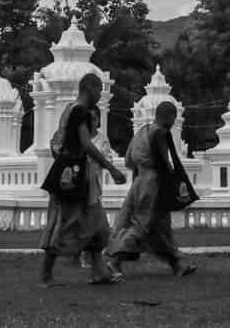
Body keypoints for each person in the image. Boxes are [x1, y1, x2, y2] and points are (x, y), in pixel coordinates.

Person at [38, 72, 128, 288]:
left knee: (97, 225)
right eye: (99, 90)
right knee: (64, 224)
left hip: (77, 173)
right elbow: (86, 145)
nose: (100, 95)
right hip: (71, 174)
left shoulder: (72, 109)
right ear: (89, 88)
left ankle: (100, 273)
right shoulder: (78, 111)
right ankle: (46, 275)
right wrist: (111, 168)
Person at [110, 100, 199, 278]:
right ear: (169, 117)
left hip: (139, 182)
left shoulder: (142, 131)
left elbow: (128, 161)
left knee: (160, 226)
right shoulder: (159, 133)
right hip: (153, 183)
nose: (174, 123)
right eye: (174, 119)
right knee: (141, 224)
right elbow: (165, 163)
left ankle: (177, 265)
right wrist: (175, 184)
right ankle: (114, 259)